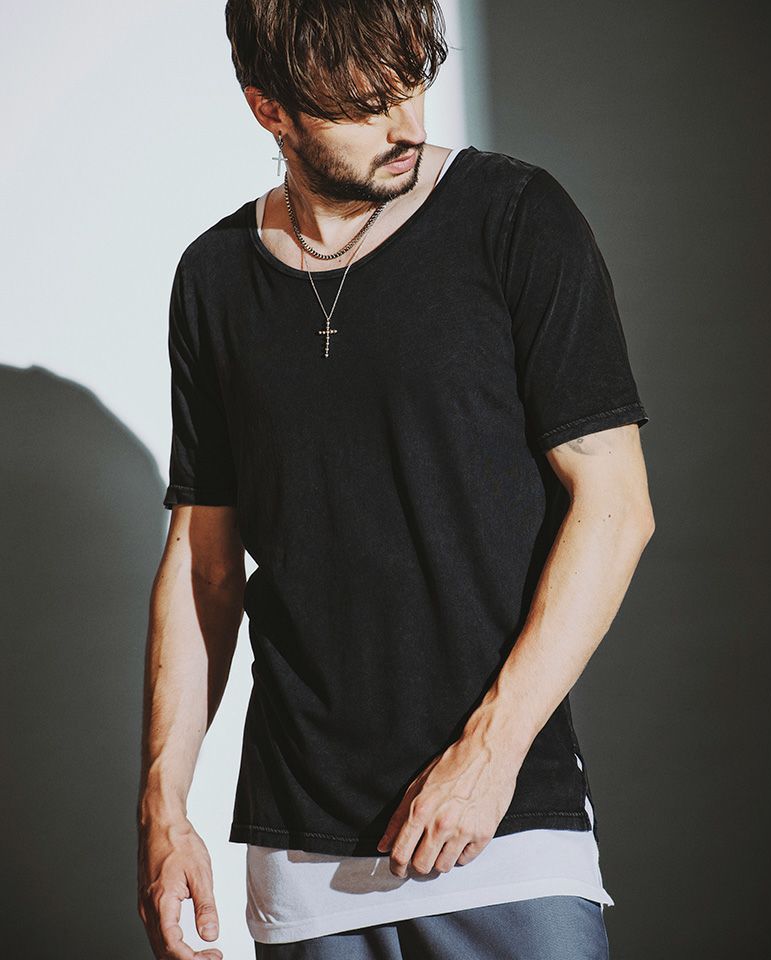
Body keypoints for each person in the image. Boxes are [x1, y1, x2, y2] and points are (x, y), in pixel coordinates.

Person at [136, 2, 655, 958]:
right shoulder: (213, 279)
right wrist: (164, 807)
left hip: (504, 827)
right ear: (269, 109)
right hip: (303, 853)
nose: (405, 124)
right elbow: (204, 566)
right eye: (363, 107)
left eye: (411, 86)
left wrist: (489, 754)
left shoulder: (514, 216)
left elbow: (616, 504)